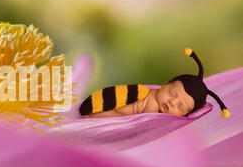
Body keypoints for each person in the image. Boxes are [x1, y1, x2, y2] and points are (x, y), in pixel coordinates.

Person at [79, 48, 230, 118]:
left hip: (117, 109)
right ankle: (92, 117)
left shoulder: (158, 105)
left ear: (185, 115)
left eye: (180, 107)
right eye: (172, 93)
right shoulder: (151, 106)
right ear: (165, 83)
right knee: (111, 115)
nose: (172, 102)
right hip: (115, 106)